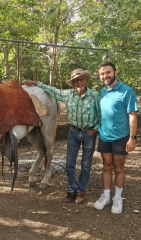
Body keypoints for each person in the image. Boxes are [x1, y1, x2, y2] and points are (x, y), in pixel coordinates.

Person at [23, 69, 100, 204]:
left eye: (81, 79)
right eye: (76, 80)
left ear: (86, 80)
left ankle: (81, 191)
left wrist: (95, 130)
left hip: (89, 133)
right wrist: (35, 83)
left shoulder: (94, 96)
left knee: (86, 164)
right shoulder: (68, 94)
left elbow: (102, 114)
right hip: (74, 132)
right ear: (73, 83)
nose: (79, 82)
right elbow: (51, 90)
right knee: (69, 164)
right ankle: (71, 189)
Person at [94, 62, 139, 214]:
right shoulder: (103, 91)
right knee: (107, 166)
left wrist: (132, 138)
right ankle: (106, 195)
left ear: (115, 72)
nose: (105, 76)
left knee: (118, 167)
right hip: (105, 136)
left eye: (108, 72)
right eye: (102, 74)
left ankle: (117, 198)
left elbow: (132, 115)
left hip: (121, 137)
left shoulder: (127, 91)